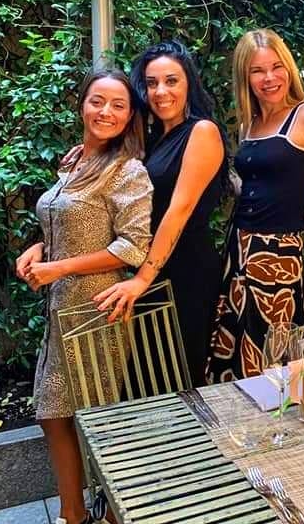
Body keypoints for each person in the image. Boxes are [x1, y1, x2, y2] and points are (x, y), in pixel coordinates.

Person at [16, 70, 152, 524]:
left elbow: (133, 247)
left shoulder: (128, 170)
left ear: (130, 115)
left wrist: (59, 266)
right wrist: (38, 248)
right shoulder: (74, 161)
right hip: (60, 309)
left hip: (96, 309)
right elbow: (61, 220)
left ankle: (113, 514)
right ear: (82, 105)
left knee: (96, 419)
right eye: (98, 101)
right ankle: (73, 513)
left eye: (117, 105)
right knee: (52, 414)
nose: (105, 112)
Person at [208, 29, 304, 382]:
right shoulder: (249, 123)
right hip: (239, 248)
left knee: (276, 353)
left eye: (276, 67)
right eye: (258, 71)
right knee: (235, 348)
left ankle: (282, 431)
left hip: (280, 254)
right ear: (245, 76)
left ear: (288, 69)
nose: (269, 78)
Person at [92, 42, 228, 388]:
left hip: (185, 272)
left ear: (188, 85)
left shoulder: (202, 132)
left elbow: (178, 210)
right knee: (143, 380)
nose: (160, 91)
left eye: (171, 81)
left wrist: (142, 279)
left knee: (176, 381)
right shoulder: (148, 140)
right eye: (152, 83)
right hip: (150, 270)